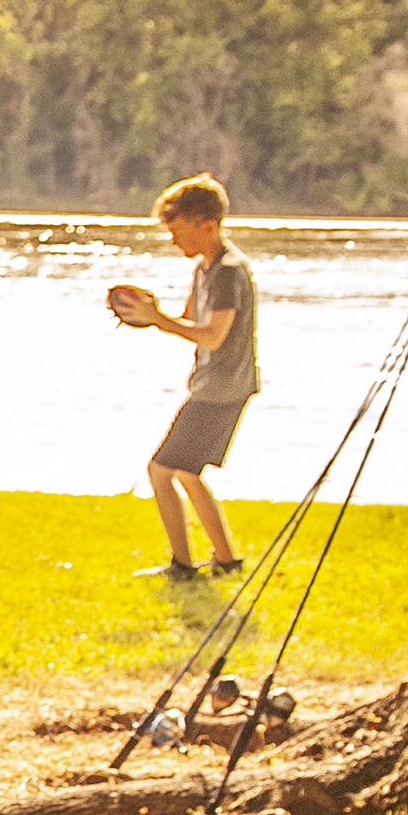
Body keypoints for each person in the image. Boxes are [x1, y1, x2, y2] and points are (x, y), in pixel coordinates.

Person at [108, 173, 259, 581]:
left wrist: (158, 320)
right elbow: (191, 320)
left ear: (206, 225)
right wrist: (147, 311)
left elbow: (212, 335)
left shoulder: (228, 271)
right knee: (188, 473)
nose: (174, 241)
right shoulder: (205, 268)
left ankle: (182, 566)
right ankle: (226, 561)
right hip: (216, 386)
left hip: (221, 390)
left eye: (178, 231)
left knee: (161, 470)